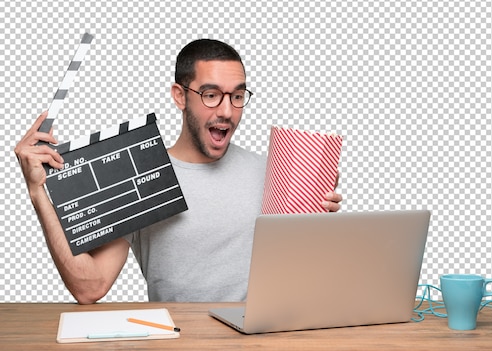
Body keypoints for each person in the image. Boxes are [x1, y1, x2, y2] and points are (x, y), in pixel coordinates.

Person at [14, 39, 343, 304]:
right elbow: (90, 287)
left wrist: (317, 226)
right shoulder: (142, 176)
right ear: (180, 96)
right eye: (211, 95)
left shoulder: (275, 174)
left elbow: (304, 281)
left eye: (238, 96)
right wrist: (38, 194)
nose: (227, 111)